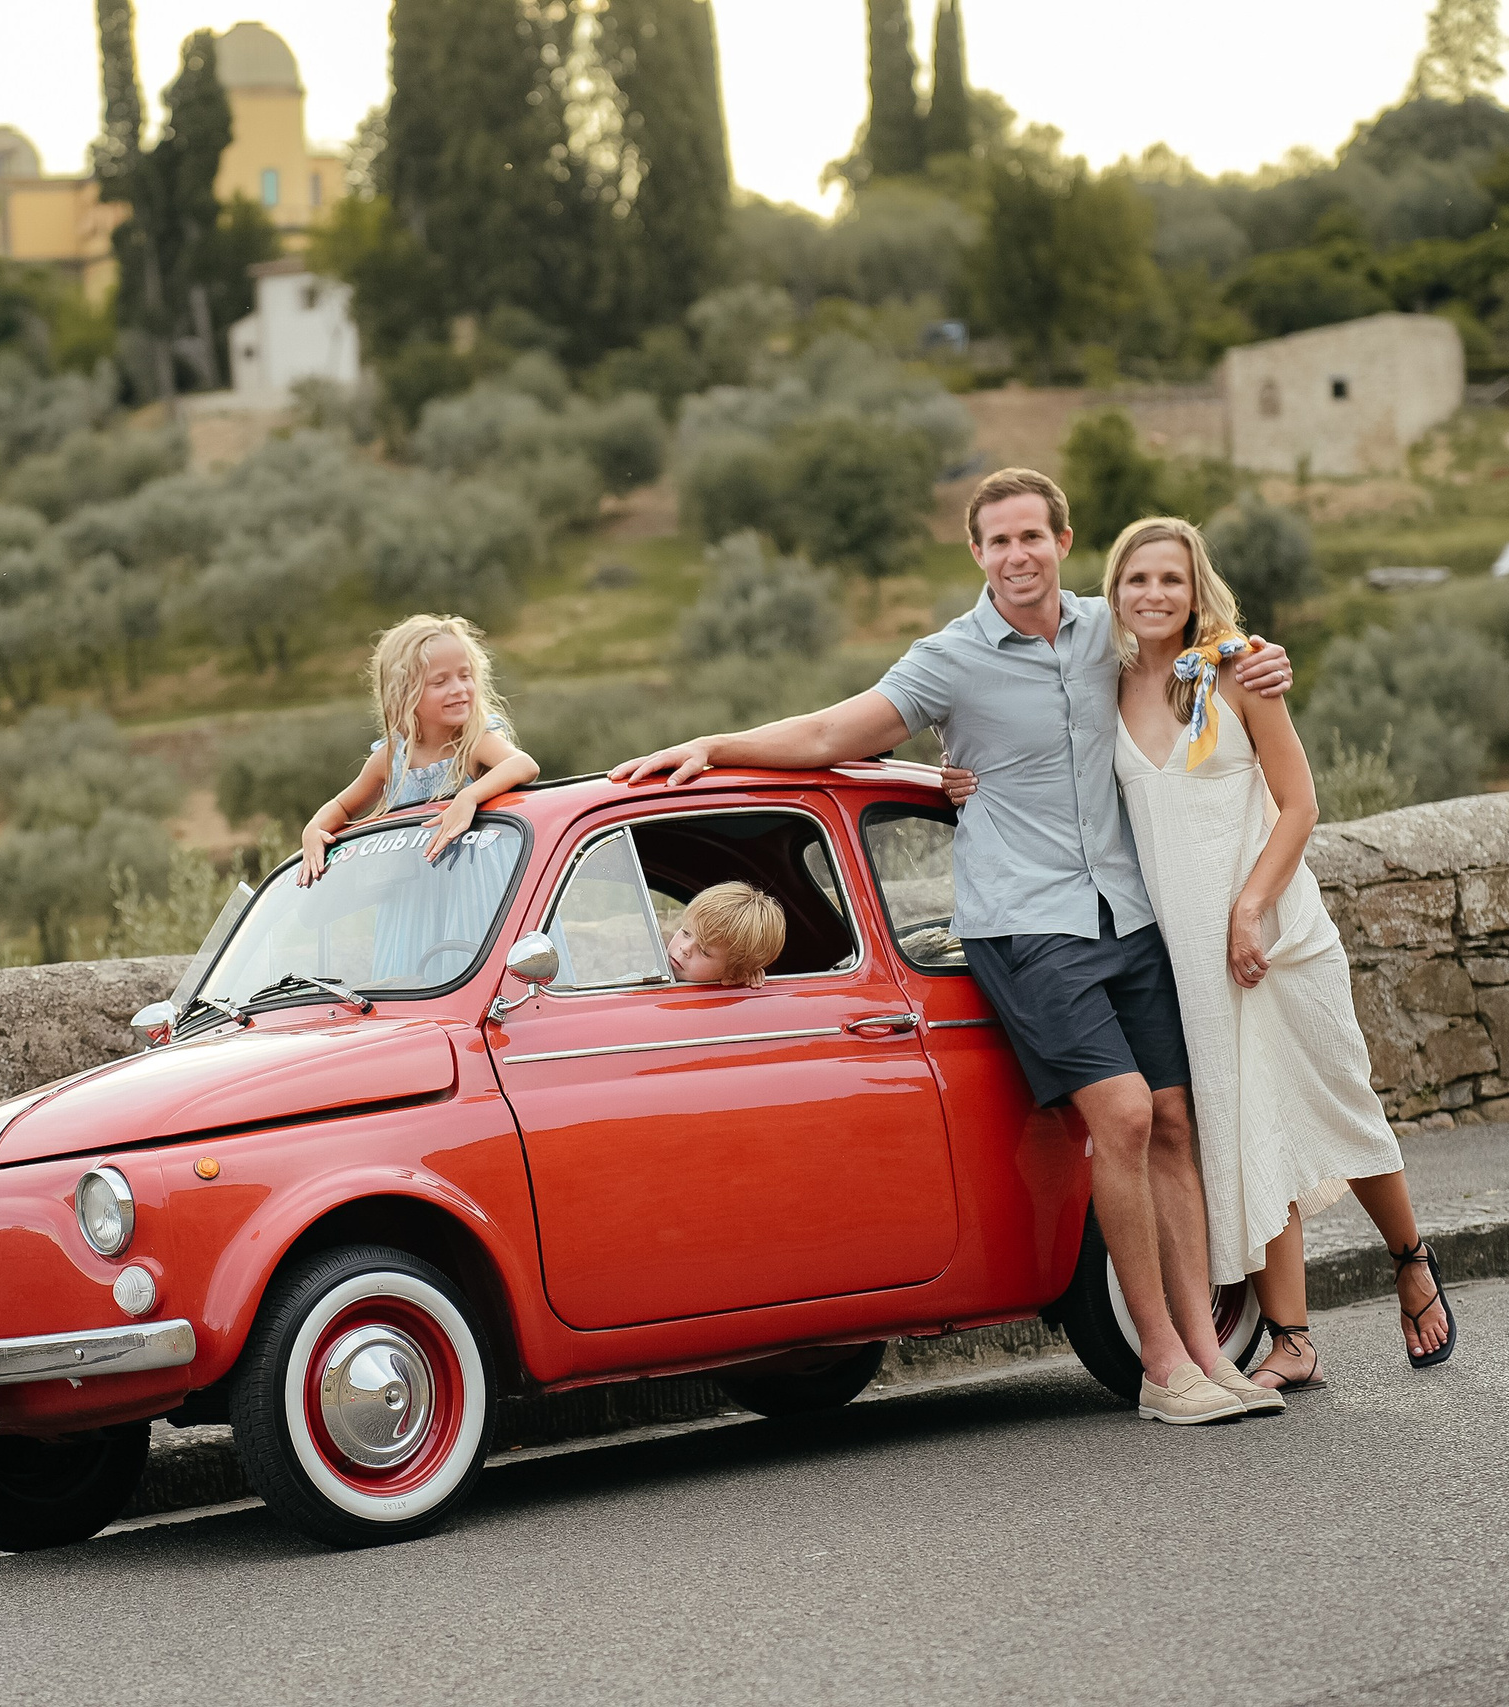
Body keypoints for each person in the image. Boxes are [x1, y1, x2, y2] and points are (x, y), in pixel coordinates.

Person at [611, 466, 1297, 1425]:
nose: (1018, 555)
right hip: (1025, 921)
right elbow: (827, 729)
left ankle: (1205, 1352)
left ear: (1063, 541)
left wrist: (1263, 661)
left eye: (1033, 537)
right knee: (1127, 1118)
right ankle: (1160, 1367)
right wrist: (717, 747)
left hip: (1127, 912)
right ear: (976, 554)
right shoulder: (949, 659)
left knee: (1178, 1123)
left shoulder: (1111, 628)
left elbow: (1205, 647)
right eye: (999, 541)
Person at [941, 518, 1455, 1386]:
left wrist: (1251, 908)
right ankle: (1292, 1337)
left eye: (1170, 581)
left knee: (1338, 1104)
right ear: (1115, 591)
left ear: (1195, 589)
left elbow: (1300, 805)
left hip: (1273, 932)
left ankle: (1410, 1257)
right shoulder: (1101, 683)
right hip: (1182, 947)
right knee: (1245, 1123)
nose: (1153, 596)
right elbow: (1038, 751)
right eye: (1136, 580)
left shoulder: (1238, 671)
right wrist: (958, 776)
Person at [300, 615, 539, 886]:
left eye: (465, 675)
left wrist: (469, 797)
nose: (459, 689)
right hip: (415, 895)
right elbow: (342, 807)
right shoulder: (391, 759)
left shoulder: (474, 742)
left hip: (479, 890)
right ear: (404, 693)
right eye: (440, 682)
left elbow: (524, 765)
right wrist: (313, 829)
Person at [666, 881, 786, 987]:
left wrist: (743, 983)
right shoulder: (653, 955)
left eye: (704, 951)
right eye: (686, 933)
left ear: (733, 977)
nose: (685, 948)